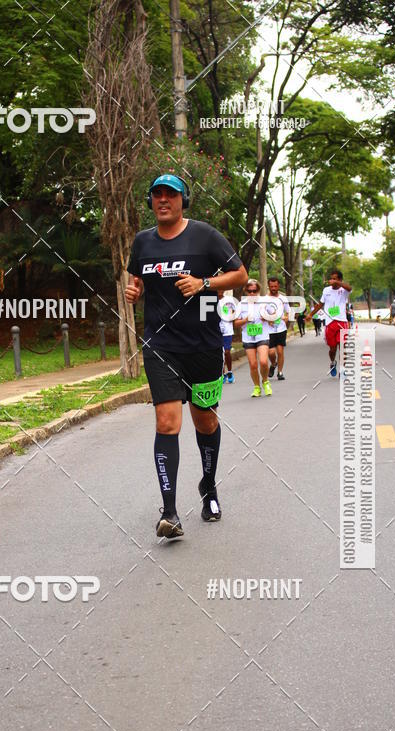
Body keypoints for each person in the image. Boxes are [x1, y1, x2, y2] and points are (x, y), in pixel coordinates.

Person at [125, 173, 248, 539]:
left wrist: (203, 283)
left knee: (205, 422)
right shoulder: (142, 242)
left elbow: (240, 275)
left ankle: (208, 487)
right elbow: (136, 280)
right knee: (166, 423)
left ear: (183, 200)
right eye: (157, 194)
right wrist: (134, 291)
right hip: (160, 346)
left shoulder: (205, 236)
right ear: (150, 201)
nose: (163, 200)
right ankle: (170, 512)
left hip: (203, 346)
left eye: (171, 194)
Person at [306, 268, 352, 377]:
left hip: (342, 322)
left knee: (343, 347)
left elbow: (349, 288)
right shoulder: (326, 290)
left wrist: (338, 283)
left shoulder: (344, 290)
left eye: (335, 279)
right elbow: (320, 304)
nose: (332, 281)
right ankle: (332, 362)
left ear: (340, 280)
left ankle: (343, 369)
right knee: (332, 348)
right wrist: (310, 314)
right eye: (331, 278)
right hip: (330, 323)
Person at [234, 278, 273, 397]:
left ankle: (265, 381)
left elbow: (273, 318)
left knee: (263, 362)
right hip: (248, 337)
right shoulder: (241, 305)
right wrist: (245, 320)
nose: (252, 293)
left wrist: (266, 318)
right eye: (249, 291)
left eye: (254, 291)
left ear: (258, 291)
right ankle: (257, 387)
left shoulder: (264, 302)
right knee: (253, 364)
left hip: (262, 335)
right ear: (246, 291)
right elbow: (236, 323)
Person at [266, 276, 290, 381]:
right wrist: (268, 319)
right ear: (268, 286)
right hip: (269, 329)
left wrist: (286, 318)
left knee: (280, 351)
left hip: (281, 328)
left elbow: (288, 311)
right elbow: (261, 312)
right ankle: (273, 364)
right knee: (271, 352)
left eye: (275, 286)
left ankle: (280, 372)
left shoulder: (283, 298)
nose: (273, 288)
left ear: (278, 286)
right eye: (271, 286)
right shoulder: (264, 299)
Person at [219, 293, 235, 383]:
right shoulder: (211, 299)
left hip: (227, 330)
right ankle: (223, 374)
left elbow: (236, 311)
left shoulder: (229, 299)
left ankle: (229, 372)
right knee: (219, 353)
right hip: (215, 331)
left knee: (227, 352)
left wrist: (232, 317)